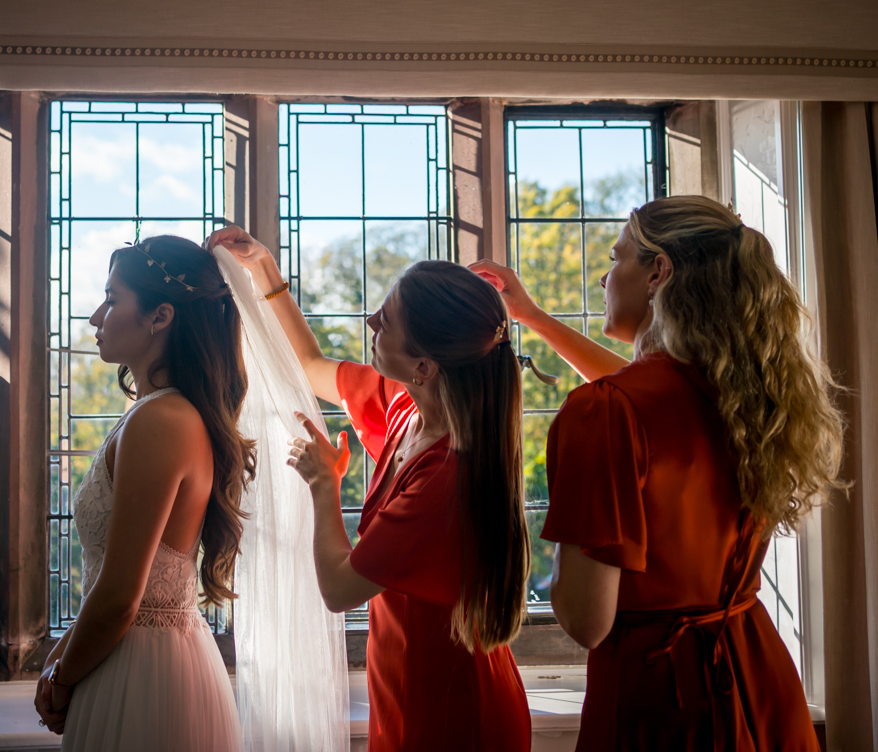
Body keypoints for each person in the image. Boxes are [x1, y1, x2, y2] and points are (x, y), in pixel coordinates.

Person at [473, 195, 846, 751]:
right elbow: (638, 391)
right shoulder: (748, 397)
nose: (604, 276)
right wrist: (530, 315)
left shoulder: (606, 411)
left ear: (658, 272)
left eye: (616, 257)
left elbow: (585, 620)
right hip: (759, 680)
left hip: (663, 700)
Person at [209, 225, 533, 752]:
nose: (370, 323)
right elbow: (311, 367)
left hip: (452, 707)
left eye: (386, 321)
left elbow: (339, 590)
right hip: (405, 683)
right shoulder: (408, 409)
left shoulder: (444, 477)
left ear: (424, 366)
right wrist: (264, 271)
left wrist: (323, 485)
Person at [33, 236, 252, 752]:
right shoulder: (157, 415)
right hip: (136, 658)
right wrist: (57, 660)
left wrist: (61, 682)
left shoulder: (161, 421)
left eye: (111, 299)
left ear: (160, 317)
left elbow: (120, 596)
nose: (95, 317)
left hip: (142, 673)